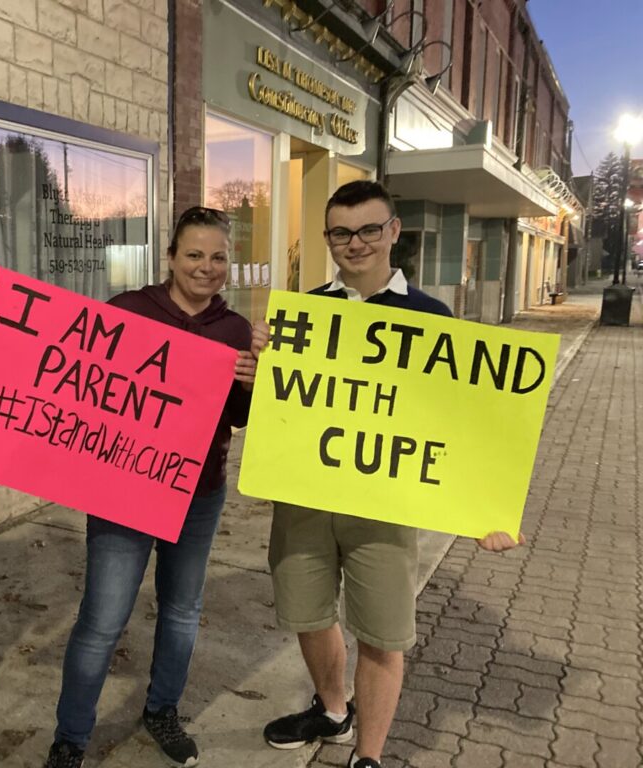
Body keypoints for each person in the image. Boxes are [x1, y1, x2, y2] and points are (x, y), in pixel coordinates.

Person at [253, 180, 525, 768]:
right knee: (307, 612)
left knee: (381, 632)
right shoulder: (306, 313)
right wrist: (262, 372)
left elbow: (458, 427)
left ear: (393, 232)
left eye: (369, 230)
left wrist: (484, 514)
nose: (356, 244)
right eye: (342, 233)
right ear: (329, 239)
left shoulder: (432, 318)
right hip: (304, 498)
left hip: (384, 504)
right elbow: (278, 409)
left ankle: (368, 758)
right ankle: (332, 710)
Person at [0, 206, 257, 768]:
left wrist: (251, 382)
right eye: (195, 255)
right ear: (171, 258)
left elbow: (238, 417)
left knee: (181, 610)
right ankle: (71, 738)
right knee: (102, 620)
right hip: (125, 496)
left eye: (218, 257)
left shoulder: (237, 329)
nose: (207, 267)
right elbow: (64, 366)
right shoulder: (126, 311)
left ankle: (162, 711)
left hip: (199, 495)